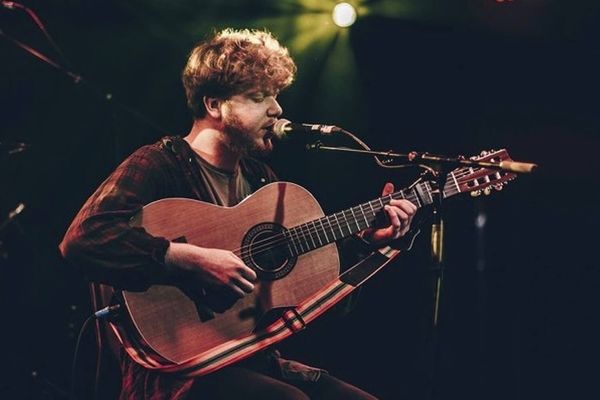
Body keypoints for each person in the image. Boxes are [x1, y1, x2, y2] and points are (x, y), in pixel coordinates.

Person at [60, 28, 417, 400]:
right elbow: (83, 239)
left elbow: (312, 303)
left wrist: (365, 246)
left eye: (276, 96)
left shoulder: (262, 181)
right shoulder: (161, 164)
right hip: (177, 372)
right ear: (215, 105)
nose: (277, 109)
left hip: (251, 357)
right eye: (258, 96)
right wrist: (189, 259)